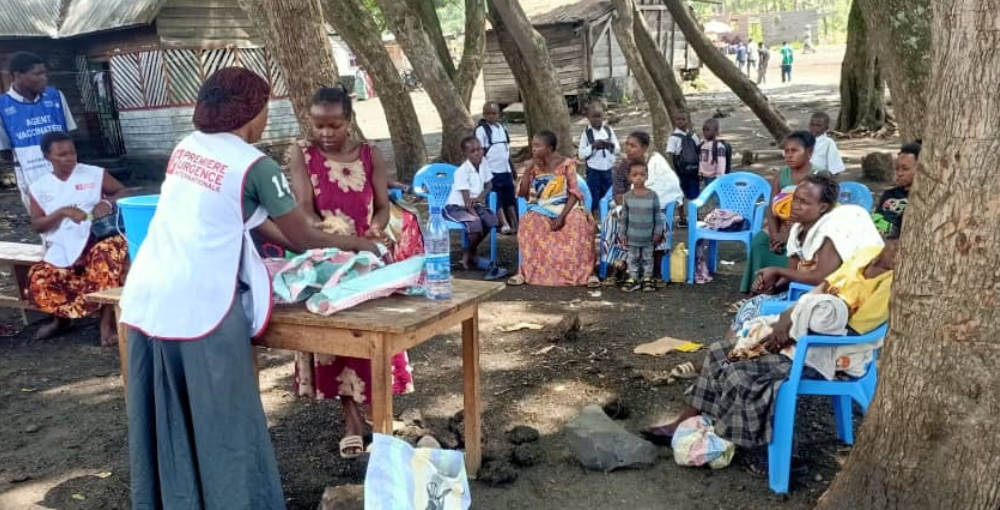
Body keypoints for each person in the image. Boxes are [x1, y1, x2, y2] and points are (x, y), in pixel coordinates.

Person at [120, 67, 379, 509]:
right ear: (252, 112)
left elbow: (254, 221)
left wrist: (316, 250)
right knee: (224, 422)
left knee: (170, 416)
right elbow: (301, 236)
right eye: (264, 109)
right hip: (203, 308)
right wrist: (361, 243)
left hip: (147, 295)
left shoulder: (186, 149)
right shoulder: (254, 164)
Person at [643, 225, 899, 472]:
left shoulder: (894, 283)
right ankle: (684, 423)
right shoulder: (865, 256)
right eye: (898, 245)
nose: (902, 253)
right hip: (799, 330)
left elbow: (852, 330)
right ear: (889, 239)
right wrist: (787, 318)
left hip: (828, 351)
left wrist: (792, 332)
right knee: (721, 351)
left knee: (740, 371)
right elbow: (821, 290)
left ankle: (766, 450)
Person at [286, 86, 419, 458]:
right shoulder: (303, 154)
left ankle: (379, 414)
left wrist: (376, 227)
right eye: (318, 125)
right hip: (328, 262)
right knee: (339, 346)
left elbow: (379, 206)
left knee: (373, 339)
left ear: (349, 121)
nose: (325, 133)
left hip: (368, 261)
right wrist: (336, 233)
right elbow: (305, 211)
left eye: (335, 125)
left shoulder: (370, 154)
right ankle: (352, 419)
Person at [733, 173, 883, 327]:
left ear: (822, 207)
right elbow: (793, 273)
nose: (795, 205)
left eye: (804, 202)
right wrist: (771, 287)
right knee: (753, 304)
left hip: (832, 302)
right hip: (806, 294)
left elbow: (821, 278)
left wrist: (777, 271)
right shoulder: (798, 230)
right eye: (795, 198)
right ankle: (732, 347)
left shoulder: (832, 231)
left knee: (754, 310)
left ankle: (735, 347)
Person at [26, 131, 132, 344]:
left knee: (106, 258)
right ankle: (61, 320)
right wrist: (62, 212)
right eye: (62, 154)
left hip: (98, 237)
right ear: (47, 157)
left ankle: (106, 325)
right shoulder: (40, 187)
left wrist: (107, 203)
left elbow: (126, 192)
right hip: (64, 244)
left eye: (72, 152)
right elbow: (38, 225)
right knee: (40, 276)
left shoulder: (93, 174)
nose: (70, 158)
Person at [507, 130, 598, 287]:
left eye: (537, 146)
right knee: (529, 223)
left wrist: (562, 217)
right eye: (533, 145)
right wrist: (528, 170)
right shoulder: (534, 167)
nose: (533, 149)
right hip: (543, 206)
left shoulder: (567, 165)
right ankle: (526, 272)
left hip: (567, 205)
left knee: (578, 223)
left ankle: (587, 274)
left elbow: (575, 193)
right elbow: (522, 193)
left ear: (549, 148)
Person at [740, 131, 820, 293]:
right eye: (786, 151)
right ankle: (760, 286)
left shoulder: (819, 177)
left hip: (808, 227)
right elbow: (772, 208)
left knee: (795, 247)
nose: (789, 155)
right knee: (759, 241)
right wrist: (776, 234)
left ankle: (782, 287)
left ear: (809, 152)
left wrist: (789, 234)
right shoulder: (781, 175)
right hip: (782, 225)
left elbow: (820, 213)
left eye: (794, 151)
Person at [602, 131, 682, 285]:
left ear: (644, 147)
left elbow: (666, 189)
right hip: (628, 207)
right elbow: (618, 195)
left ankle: (656, 271)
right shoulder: (622, 168)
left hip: (651, 208)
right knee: (611, 221)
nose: (628, 149)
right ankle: (617, 267)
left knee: (661, 222)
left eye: (633, 146)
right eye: (627, 145)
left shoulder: (656, 164)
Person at [1, 52, 78, 212]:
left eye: (44, 73)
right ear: (17, 75)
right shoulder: (2, 106)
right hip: (32, 177)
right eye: (37, 74)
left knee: (79, 220)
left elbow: (69, 134)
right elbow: (5, 151)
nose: (44, 78)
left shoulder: (56, 96)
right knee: (49, 227)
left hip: (67, 173)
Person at [444, 135, 507, 278]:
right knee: (475, 222)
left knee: (492, 220)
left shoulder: (483, 163)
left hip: (475, 203)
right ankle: (470, 254)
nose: (478, 153)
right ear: (466, 154)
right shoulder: (462, 171)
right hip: (456, 207)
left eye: (479, 149)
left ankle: (469, 251)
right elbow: (466, 202)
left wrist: (480, 197)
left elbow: (489, 185)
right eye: (473, 151)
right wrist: (475, 214)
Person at [618, 163, 665, 293]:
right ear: (629, 178)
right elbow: (624, 217)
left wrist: (657, 232)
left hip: (648, 236)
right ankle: (633, 278)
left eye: (642, 174)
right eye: (635, 175)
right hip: (632, 236)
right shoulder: (627, 197)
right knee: (632, 258)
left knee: (648, 258)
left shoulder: (653, 196)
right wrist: (622, 234)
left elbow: (657, 215)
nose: (639, 177)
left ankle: (647, 278)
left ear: (647, 176)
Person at [476, 102, 518, 234]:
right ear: (484, 114)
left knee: (509, 197)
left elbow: (506, 151)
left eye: (494, 113)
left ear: (499, 115)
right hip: (491, 171)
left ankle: (515, 223)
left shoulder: (502, 129)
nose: (491, 116)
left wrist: (512, 168)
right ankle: (504, 224)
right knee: (496, 198)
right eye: (487, 113)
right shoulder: (481, 130)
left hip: (505, 170)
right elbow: (480, 153)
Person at [578, 102, 619, 215]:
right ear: (588, 118)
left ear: (603, 116)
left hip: (608, 168)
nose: (597, 119)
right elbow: (581, 154)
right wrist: (593, 146)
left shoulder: (608, 130)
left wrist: (610, 145)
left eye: (599, 116)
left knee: (608, 192)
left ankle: (608, 212)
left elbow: (617, 149)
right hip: (593, 170)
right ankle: (593, 214)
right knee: (593, 193)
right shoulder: (587, 134)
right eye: (594, 116)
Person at [872, 142, 918, 234]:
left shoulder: (923, 200)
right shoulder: (888, 194)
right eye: (897, 168)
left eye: (905, 169)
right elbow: (876, 221)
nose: (899, 173)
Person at [666, 109, 701, 227]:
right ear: (674, 121)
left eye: (683, 119)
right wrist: (672, 170)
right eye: (678, 119)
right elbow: (670, 154)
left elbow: (699, 152)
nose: (680, 121)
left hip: (693, 171)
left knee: (694, 194)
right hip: (679, 171)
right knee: (679, 195)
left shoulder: (694, 136)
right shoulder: (673, 138)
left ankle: (695, 215)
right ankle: (682, 218)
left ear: (688, 121)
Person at [699, 118, 731, 188]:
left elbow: (721, 163)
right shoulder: (702, 145)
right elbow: (702, 161)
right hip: (704, 177)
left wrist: (719, 178)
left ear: (716, 132)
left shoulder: (719, 147)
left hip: (715, 178)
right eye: (704, 130)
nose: (705, 132)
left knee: (717, 197)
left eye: (708, 130)